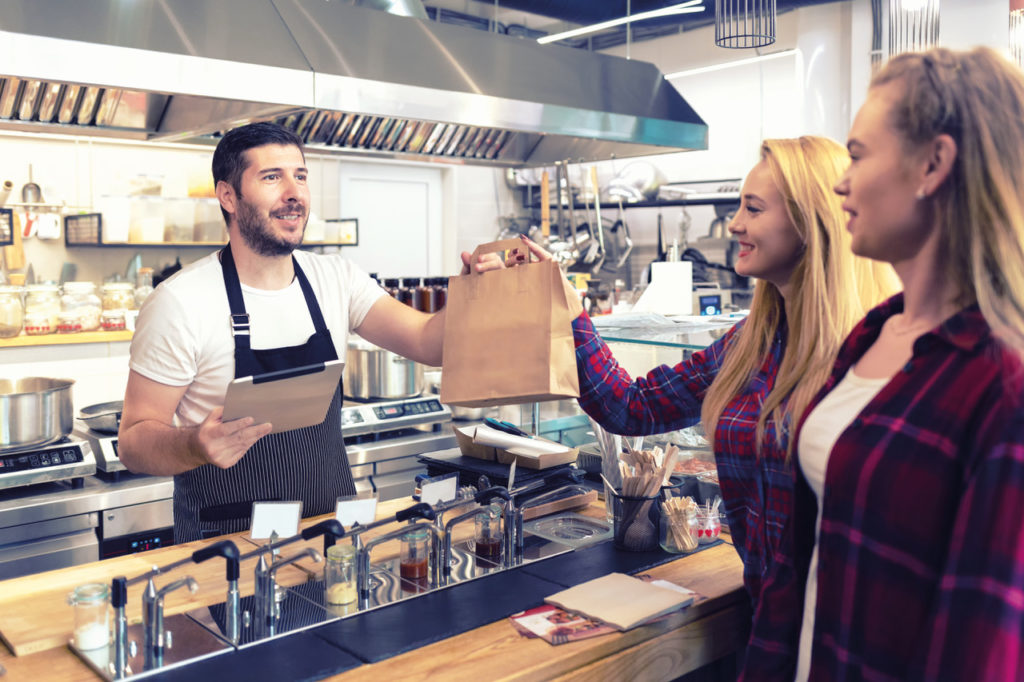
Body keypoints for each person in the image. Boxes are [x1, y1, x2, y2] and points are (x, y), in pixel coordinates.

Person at [520, 136, 900, 610]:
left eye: (754, 209)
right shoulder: (751, 342)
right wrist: (569, 310)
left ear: (811, 221)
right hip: (766, 616)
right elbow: (631, 407)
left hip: (844, 626)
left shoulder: (878, 351)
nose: (735, 224)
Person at [742, 46, 1024, 681]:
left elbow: (980, 650)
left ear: (934, 163)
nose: (841, 181)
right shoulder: (871, 334)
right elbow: (806, 565)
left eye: (859, 155)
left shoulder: (1002, 384)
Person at [118, 121, 497, 542]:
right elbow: (133, 442)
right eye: (271, 177)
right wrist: (193, 444)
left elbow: (429, 342)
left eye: (300, 175)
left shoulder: (335, 278)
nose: (294, 192)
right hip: (228, 550)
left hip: (333, 539)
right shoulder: (180, 302)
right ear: (228, 195)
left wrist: (472, 291)